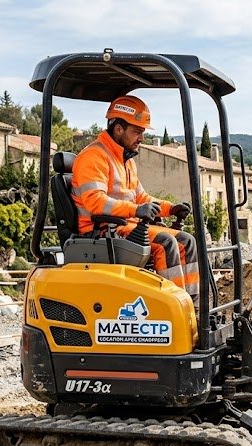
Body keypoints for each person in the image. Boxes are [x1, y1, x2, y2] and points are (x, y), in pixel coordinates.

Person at [71, 95, 199, 302]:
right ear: (118, 129)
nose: (141, 138)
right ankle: (176, 309)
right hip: (102, 231)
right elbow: (95, 202)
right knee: (165, 244)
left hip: (124, 226)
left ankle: (193, 307)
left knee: (187, 241)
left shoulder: (125, 160)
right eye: (137, 132)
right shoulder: (93, 157)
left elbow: (141, 197)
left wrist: (170, 208)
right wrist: (135, 211)